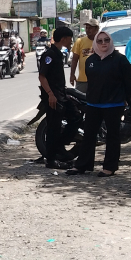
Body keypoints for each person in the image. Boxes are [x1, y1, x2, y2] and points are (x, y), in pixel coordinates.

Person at [68, 31, 131, 176]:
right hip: (93, 104)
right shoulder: (91, 60)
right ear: (95, 43)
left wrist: (126, 100)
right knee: (89, 135)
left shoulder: (120, 59)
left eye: (106, 40)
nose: (103, 43)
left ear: (110, 41)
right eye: (100, 41)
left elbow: (129, 83)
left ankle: (109, 168)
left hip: (114, 105)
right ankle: (82, 165)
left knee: (112, 136)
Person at [38, 25, 75, 169]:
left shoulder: (59, 53)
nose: (71, 41)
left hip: (61, 95)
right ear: (64, 38)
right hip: (53, 97)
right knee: (53, 127)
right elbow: (42, 77)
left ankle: (59, 147)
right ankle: (51, 160)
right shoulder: (49, 55)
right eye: (70, 39)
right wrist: (51, 95)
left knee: (75, 117)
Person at [70, 18, 99, 95]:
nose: (88, 30)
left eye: (90, 28)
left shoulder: (102, 41)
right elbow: (74, 60)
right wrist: (72, 75)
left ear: (96, 29)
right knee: (79, 101)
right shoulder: (80, 41)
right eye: (87, 28)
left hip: (98, 80)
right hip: (82, 80)